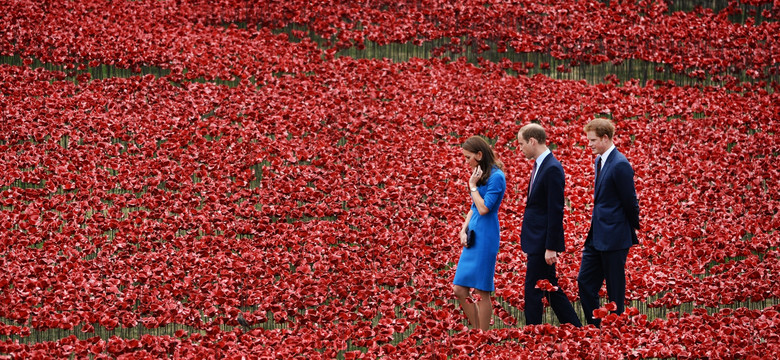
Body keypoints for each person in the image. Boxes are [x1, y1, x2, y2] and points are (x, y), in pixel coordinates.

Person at [516, 124, 582, 327]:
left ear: (532, 141)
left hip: (542, 241)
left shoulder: (552, 168)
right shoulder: (540, 165)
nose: (520, 149)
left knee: (533, 290)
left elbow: (556, 210)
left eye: (521, 144)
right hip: (537, 238)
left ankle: (531, 334)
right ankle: (577, 329)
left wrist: (551, 246)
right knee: (550, 288)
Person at [577, 118, 640, 327]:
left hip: (615, 236)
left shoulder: (620, 164)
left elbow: (630, 201)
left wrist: (629, 227)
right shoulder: (599, 160)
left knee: (615, 289)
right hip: (596, 235)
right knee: (585, 282)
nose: (590, 144)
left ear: (605, 138)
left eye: (593, 140)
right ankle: (595, 327)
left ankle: (616, 332)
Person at [453, 136, 506, 331]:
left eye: (468, 158)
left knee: (482, 291)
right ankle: (478, 332)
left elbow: (484, 209)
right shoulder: (480, 173)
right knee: (459, 289)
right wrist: (463, 229)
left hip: (486, 235)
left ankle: (483, 336)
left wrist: (472, 186)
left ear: (479, 154)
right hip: (473, 231)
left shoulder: (496, 176)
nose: (466, 162)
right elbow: (472, 208)